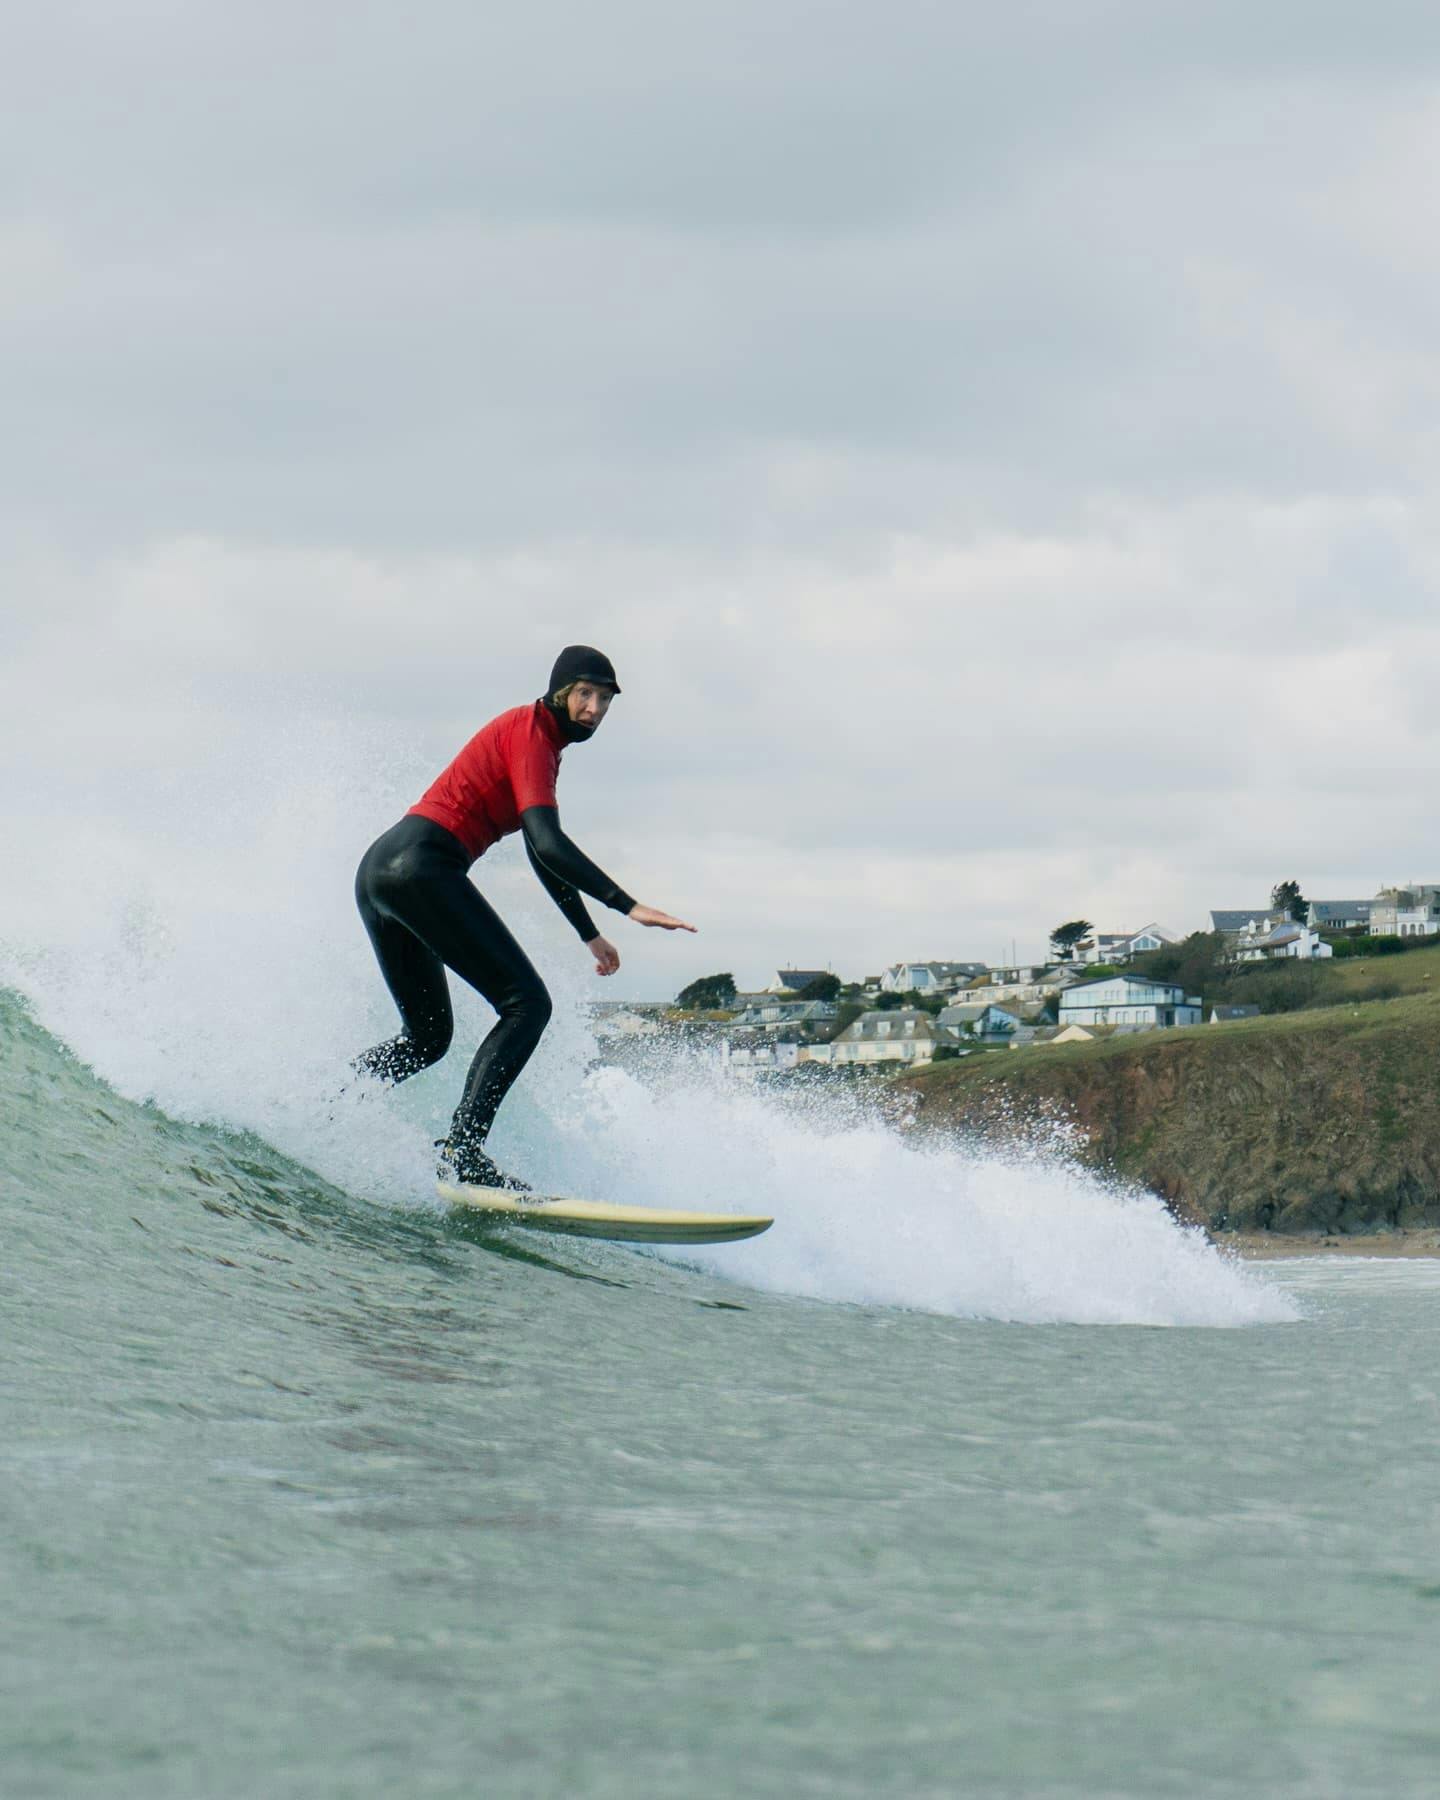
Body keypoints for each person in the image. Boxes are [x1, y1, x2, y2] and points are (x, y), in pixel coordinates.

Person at [352, 645, 695, 1190]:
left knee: (427, 1037)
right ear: (560, 692)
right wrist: (628, 906)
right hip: (423, 866)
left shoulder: (537, 745)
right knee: (527, 1005)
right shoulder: (532, 734)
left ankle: (324, 1103)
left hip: (379, 873)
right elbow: (549, 842)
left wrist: (589, 933)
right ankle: (462, 1153)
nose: (594, 709)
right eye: (585, 694)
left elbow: (541, 854)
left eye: (604, 699)